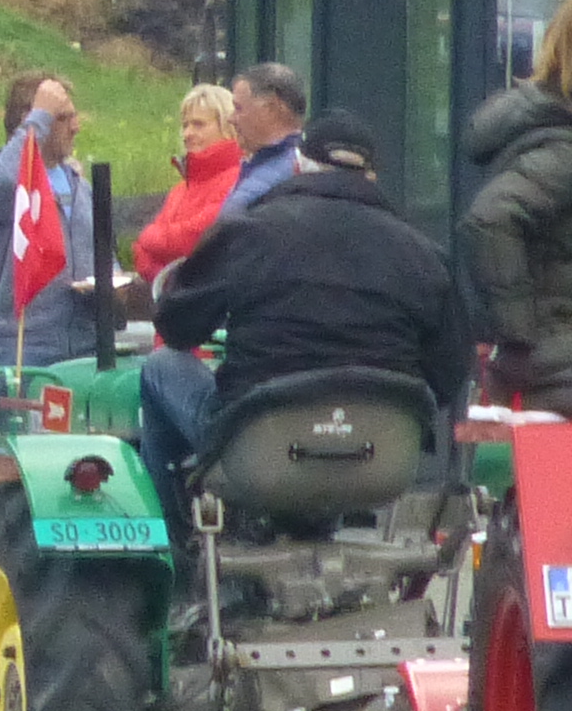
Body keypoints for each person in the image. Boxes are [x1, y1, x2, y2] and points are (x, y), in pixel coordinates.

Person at [144, 108, 469, 507]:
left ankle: (175, 537)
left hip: (259, 447)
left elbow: (177, 327)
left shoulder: (248, 233)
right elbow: (451, 369)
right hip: (380, 458)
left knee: (161, 366)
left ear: (297, 165)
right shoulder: (423, 254)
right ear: (370, 176)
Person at [465, 7, 572, 404]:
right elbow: (491, 218)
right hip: (557, 373)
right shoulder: (563, 148)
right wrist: (518, 338)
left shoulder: (547, 132)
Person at [0, 75, 94, 363]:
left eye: (74, 116)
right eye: (63, 118)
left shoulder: (79, 184)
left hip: (85, 345)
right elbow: (3, 182)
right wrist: (38, 120)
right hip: (25, 348)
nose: (75, 127)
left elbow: (97, 250)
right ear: (32, 120)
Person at [133, 82, 244, 282]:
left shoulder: (238, 180)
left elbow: (196, 238)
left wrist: (150, 237)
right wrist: (169, 282)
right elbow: (141, 252)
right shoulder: (180, 190)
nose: (187, 134)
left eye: (198, 124)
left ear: (228, 127)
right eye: (185, 125)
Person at [225, 62, 309, 211]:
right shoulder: (260, 166)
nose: (230, 119)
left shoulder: (292, 172)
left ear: (271, 108)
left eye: (238, 108)